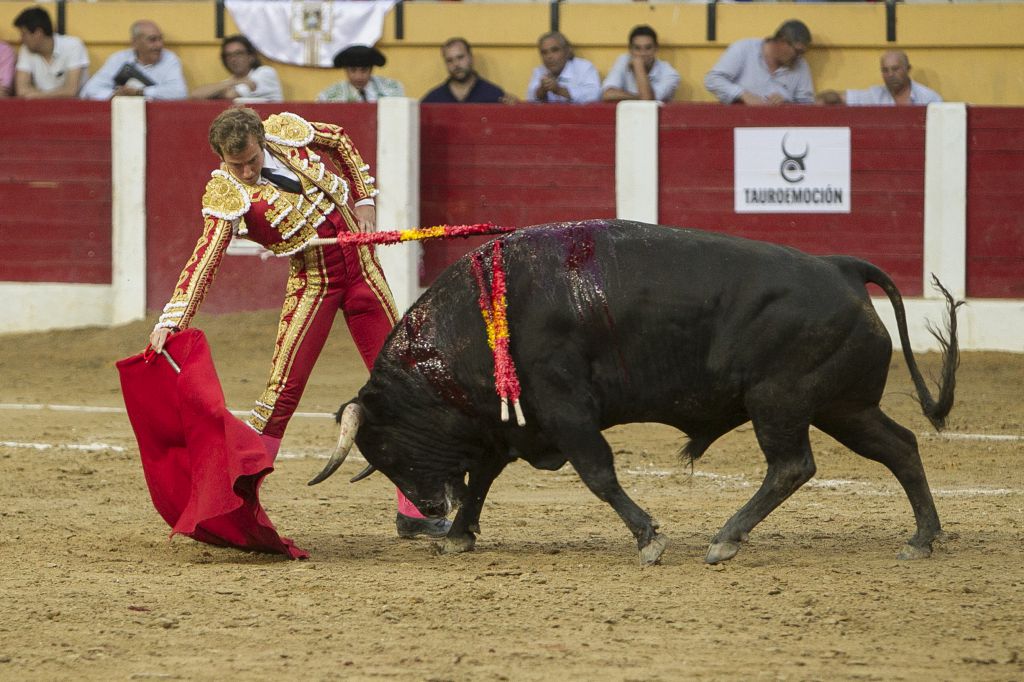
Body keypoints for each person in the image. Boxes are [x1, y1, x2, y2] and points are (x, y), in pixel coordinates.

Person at [147, 107, 450, 539]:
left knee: (405, 382)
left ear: (262, 141)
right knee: (280, 396)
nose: (248, 171)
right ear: (220, 157)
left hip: (364, 270)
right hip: (315, 284)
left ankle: (416, 509)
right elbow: (205, 259)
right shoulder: (226, 195)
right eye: (237, 165)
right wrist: (172, 320)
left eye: (252, 160)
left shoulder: (286, 134)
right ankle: (232, 507)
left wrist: (364, 200)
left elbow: (340, 140)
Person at [704, 19, 814, 106]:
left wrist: (787, 103)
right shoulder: (744, 49)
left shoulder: (801, 64)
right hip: (740, 120)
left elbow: (806, 105)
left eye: (802, 53)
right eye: (797, 51)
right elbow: (712, 79)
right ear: (782, 41)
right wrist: (743, 95)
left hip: (781, 127)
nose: (799, 57)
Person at [80, 20, 186, 100]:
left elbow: (180, 93)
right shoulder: (119, 59)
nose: (159, 45)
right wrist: (114, 95)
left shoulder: (169, 59)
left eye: (160, 39)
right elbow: (90, 90)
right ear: (134, 43)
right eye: (152, 40)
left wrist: (140, 92)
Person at [817, 50, 943, 106]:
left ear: (908, 69)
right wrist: (823, 99)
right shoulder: (874, 95)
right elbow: (838, 98)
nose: (890, 75)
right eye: (885, 70)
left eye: (895, 69)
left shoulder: (929, 98)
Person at [12, 6, 89, 98]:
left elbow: (71, 90)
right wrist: (48, 96)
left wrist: (39, 95)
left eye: (24, 34)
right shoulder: (25, 49)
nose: (20, 39)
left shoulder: (73, 45)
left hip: (75, 108)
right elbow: (21, 90)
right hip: (39, 107)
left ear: (38, 33)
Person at [190, 35, 282, 103]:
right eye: (229, 55)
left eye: (239, 53)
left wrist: (220, 89)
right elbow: (195, 95)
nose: (233, 59)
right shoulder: (230, 82)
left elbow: (230, 95)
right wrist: (232, 82)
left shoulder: (265, 73)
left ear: (251, 56)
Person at [422, 37, 516, 104]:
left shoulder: (493, 95)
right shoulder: (433, 100)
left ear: (471, 58)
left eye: (460, 57)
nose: (456, 64)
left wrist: (515, 107)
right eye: (449, 60)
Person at [601, 25, 680, 103]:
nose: (643, 53)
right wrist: (638, 97)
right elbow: (607, 94)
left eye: (648, 48)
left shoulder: (670, 74)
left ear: (656, 48)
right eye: (637, 48)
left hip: (655, 115)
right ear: (630, 50)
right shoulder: (624, 60)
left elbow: (647, 101)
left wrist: (638, 66)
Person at [526, 31, 600, 104]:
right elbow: (530, 98)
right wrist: (541, 90)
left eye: (555, 50)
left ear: (567, 51)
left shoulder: (584, 68)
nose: (549, 56)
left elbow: (593, 96)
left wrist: (559, 90)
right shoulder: (539, 71)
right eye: (544, 52)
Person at [316, 45, 403, 103]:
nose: (358, 76)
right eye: (353, 70)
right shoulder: (328, 96)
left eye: (364, 70)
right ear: (346, 70)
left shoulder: (392, 89)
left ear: (371, 70)